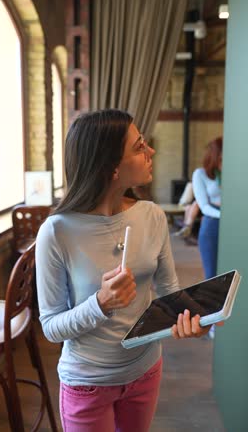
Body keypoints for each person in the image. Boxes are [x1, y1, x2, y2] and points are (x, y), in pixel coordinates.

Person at [36, 109, 213, 432]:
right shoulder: (57, 231)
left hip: (145, 371)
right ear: (111, 167)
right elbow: (51, 328)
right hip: (87, 383)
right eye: (139, 146)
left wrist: (192, 318)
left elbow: (170, 292)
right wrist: (100, 303)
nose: (151, 152)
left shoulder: (152, 215)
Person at [192, 137, 223, 281]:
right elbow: (204, 206)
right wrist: (224, 215)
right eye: (222, 158)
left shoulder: (234, 173)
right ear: (214, 156)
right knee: (212, 275)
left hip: (234, 224)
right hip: (212, 224)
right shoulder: (200, 174)